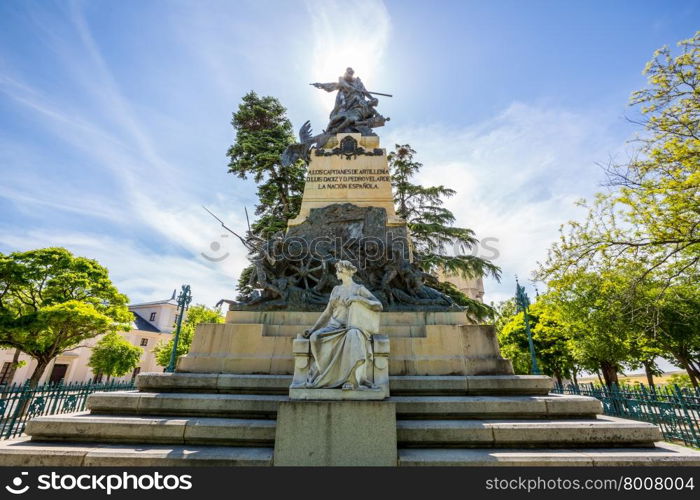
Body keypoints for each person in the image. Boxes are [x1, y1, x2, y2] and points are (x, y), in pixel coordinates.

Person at [303, 260, 383, 390]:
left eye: (337, 270)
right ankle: (326, 374)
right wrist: (313, 329)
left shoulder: (358, 289)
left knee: (353, 335)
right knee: (315, 338)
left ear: (344, 271)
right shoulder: (336, 289)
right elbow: (327, 312)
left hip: (351, 326)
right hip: (334, 326)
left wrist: (358, 299)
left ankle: (350, 379)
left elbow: (378, 305)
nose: (336, 273)